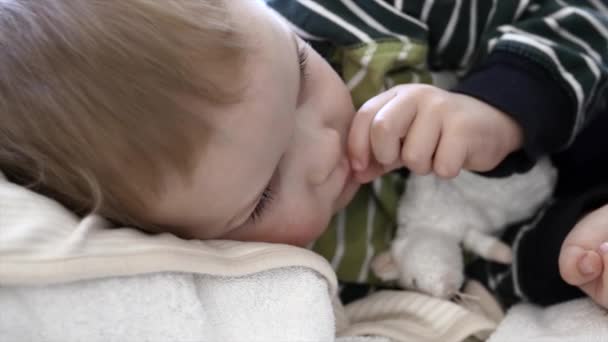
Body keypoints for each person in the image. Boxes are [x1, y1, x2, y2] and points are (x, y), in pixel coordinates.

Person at [0, 0, 606, 310]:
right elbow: (467, 289)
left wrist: (501, 106)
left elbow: (580, 16)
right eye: (263, 193)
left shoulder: (362, 18)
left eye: (299, 76)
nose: (324, 152)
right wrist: (567, 254)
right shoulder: (295, 278)